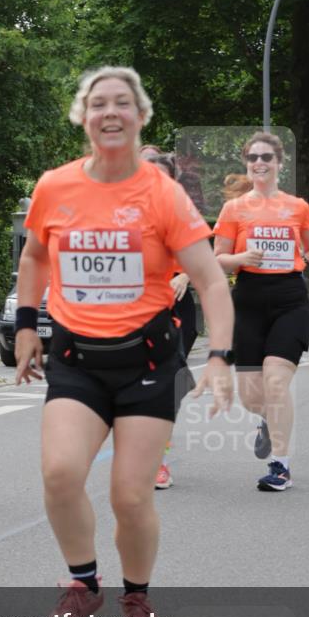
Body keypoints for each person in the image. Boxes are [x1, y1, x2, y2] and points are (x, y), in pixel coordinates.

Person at [15, 66, 234, 617]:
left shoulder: (162, 194)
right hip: (76, 360)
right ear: (83, 118)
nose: (110, 112)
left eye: (122, 103)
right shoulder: (55, 186)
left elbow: (211, 281)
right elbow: (36, 257)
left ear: (140, 116)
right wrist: (26, 323)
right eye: (98, 104)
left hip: (148, 363)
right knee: (61, 474)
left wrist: (219, 357)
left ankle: (136, 597)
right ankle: (83, 586)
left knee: (130, 495)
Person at [213, 132, 309, 491]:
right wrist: (240, 258)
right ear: (247, 165)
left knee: (276, 381)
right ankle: (265, 419)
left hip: (289, 297)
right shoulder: (234, 208)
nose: (259, 163)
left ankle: (281, 465)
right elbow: (218, 260)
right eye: (253, 158)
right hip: (248, 299)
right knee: (252, 397)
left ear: (280, 163)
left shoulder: (297, 206)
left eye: (267, 157)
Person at [139, 147, 198, 489]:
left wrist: (184, 275)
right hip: (136, 306)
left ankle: (158, 457)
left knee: (167, 384)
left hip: (175, 305)